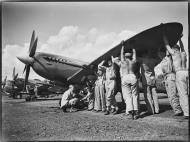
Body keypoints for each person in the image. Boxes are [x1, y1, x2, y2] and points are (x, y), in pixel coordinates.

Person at [162, 31, 189, 119]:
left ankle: (187, 113)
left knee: (183, 94)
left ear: (174, 49)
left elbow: (166, 44)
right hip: (187, 71)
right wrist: (180, 38)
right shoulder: (183, 53)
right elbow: (182, 47)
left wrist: (164, 35)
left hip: (179, 73)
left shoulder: (174, 54)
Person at [113, 41, 139, 119]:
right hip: (133, 76)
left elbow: (121, 53)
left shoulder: (122, 62)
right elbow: (134, 54)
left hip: (125, 77)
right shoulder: (133, 61)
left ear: (124, 56)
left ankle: (130, 113)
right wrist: (133, 47)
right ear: (130, 56)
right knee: (134, 95)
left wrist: (122, 46)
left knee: (128, 96)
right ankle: (136, 112)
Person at [159, 49, 183, 116]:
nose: (159, 53)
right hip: (166, 78)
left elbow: (167, 50)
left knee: (173, 94)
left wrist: (165, 40)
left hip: (171, 76)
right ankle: (176, 109)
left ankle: (178, 110)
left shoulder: (168, 58)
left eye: (161, 52)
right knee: (169, 96)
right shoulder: (162, 60)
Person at [139, 49, 160, 115]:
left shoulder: (142, 60)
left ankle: (151, 110)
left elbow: (134, 58)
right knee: (155, 95)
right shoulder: (153, 60)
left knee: (148, 96)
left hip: (146, 80)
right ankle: (157, 110)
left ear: (143, 54)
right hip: (153, 79)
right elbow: (159, 60)